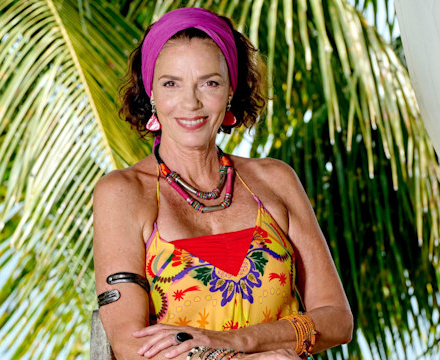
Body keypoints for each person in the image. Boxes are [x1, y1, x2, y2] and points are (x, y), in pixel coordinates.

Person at [92, 7, 353, 360]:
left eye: (209, 83)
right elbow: (130, 345)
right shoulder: (123, 193)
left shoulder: (275, 180)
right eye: (171, 83)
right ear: (151, 92)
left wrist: (238, 342)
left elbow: (337, 320)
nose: (190, 102)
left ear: (231, 89)